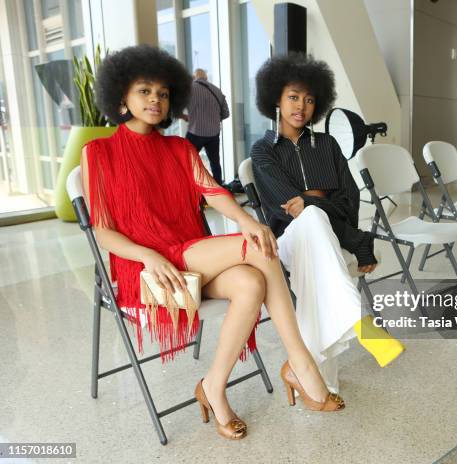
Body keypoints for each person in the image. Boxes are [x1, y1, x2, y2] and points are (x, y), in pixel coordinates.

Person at [83, 45, 345, 441]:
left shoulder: (179, 148)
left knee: (252, 281)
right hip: (148, 267)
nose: (155, 99)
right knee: (258, 247)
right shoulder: (98, 153)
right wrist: (148, 255)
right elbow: (102, 231)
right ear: (121, 96)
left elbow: (213, 191)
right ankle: (301, 364)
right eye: (144, 91)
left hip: (190, 251)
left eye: (163, 93)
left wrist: (244, 219)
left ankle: (212, 386)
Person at [250, 53, 404, 393]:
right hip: (287, 242)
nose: (301, 106)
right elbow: (286, 207)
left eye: (309, 99)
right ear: (275, 98)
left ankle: (315, 379)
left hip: (328, 239)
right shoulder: (263, 151)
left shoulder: (328, 145)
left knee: (315, 261)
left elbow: (349, 199)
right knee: (312, 217)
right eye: (293, 97)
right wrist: (316, 198)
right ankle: (360, 322)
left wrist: (309, 198)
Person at [183, 68, 229, 185]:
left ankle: (189, 188)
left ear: (194, 77)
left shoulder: (189, 90)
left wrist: (185, 117)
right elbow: (226, 114)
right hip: (213, 134)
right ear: (206, 78)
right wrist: (212, 119)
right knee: (215, 163)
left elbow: (176, 108)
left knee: (187, 162)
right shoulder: (217, 91)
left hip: (195, 133)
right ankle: (219, 189)